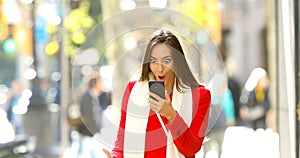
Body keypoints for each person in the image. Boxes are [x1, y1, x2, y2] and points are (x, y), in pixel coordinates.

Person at [103, 29, 211, 158]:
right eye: (153, 61)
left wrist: (170, 114)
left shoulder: (201, 96)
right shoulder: (134, 90)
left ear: (177, 61)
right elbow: (123, 140)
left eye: (166, 61)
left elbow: (191, 149)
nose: (159, 68)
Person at [77, 76, 103, 158]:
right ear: (95, 84)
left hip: (89, 133)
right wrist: (96, 131)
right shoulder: (87, 97)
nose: (102, 85)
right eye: (100, 83)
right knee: (83, 154)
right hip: (87, 133)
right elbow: (89, 117)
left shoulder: (91, 96)